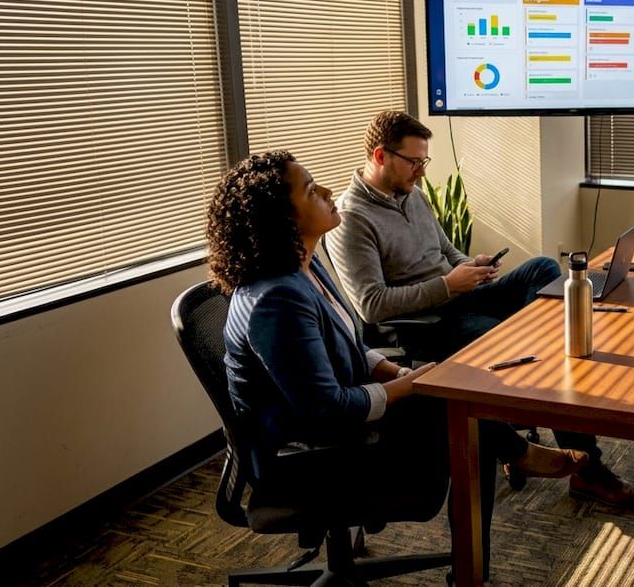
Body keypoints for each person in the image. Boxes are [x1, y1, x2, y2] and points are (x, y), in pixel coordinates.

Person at [208, 151, 589, 580]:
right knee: (457, 408)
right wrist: (409, 389)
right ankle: (511, 475)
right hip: (302, 458)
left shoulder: (305, 265)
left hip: (328, 425)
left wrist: (397, 374)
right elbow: (326, 409)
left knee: (452, 396)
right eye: (312, 190)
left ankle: (481, 546)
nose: (328, 191)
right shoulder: (277, 297)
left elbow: (348, 344)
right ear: (282, 218)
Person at [327, 111, 634, 510]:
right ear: (380, 156)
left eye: (424, 162)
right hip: (424, 325)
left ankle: (523, 395)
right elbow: (371, 305)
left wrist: (472, 266)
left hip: (458, 296)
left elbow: (445, 251)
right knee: (523, 344)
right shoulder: (351, 218)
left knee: (544, 270)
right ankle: (587, 471)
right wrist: (448, 284)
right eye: (414, 162)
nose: (421, 172)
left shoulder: (411, 193)